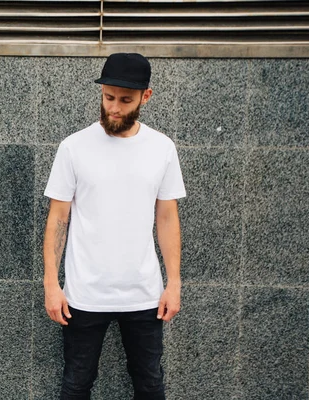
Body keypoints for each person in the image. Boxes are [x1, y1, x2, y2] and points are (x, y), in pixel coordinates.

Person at [43, 53, 186, 400]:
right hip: (84, 294)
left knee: (150, 384)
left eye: (125, 100)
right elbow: (58, 217)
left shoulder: (161, 148)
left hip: (144, 294)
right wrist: (51, 282)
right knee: (76, 384)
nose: (115, 108)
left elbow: (167, 218)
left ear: (145, 97)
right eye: (109, 98)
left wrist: (174, 282)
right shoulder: (74, 147)